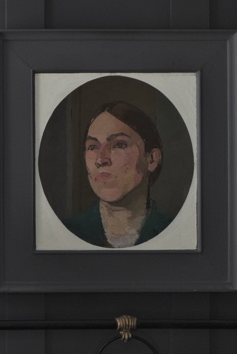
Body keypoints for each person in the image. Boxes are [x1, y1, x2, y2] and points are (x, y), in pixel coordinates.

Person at [63, 100, 173, 248]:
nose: (101, 159)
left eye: (119, 144)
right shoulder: (68, 232)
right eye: (92, 147)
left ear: (151, 159)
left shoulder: (174, 231)